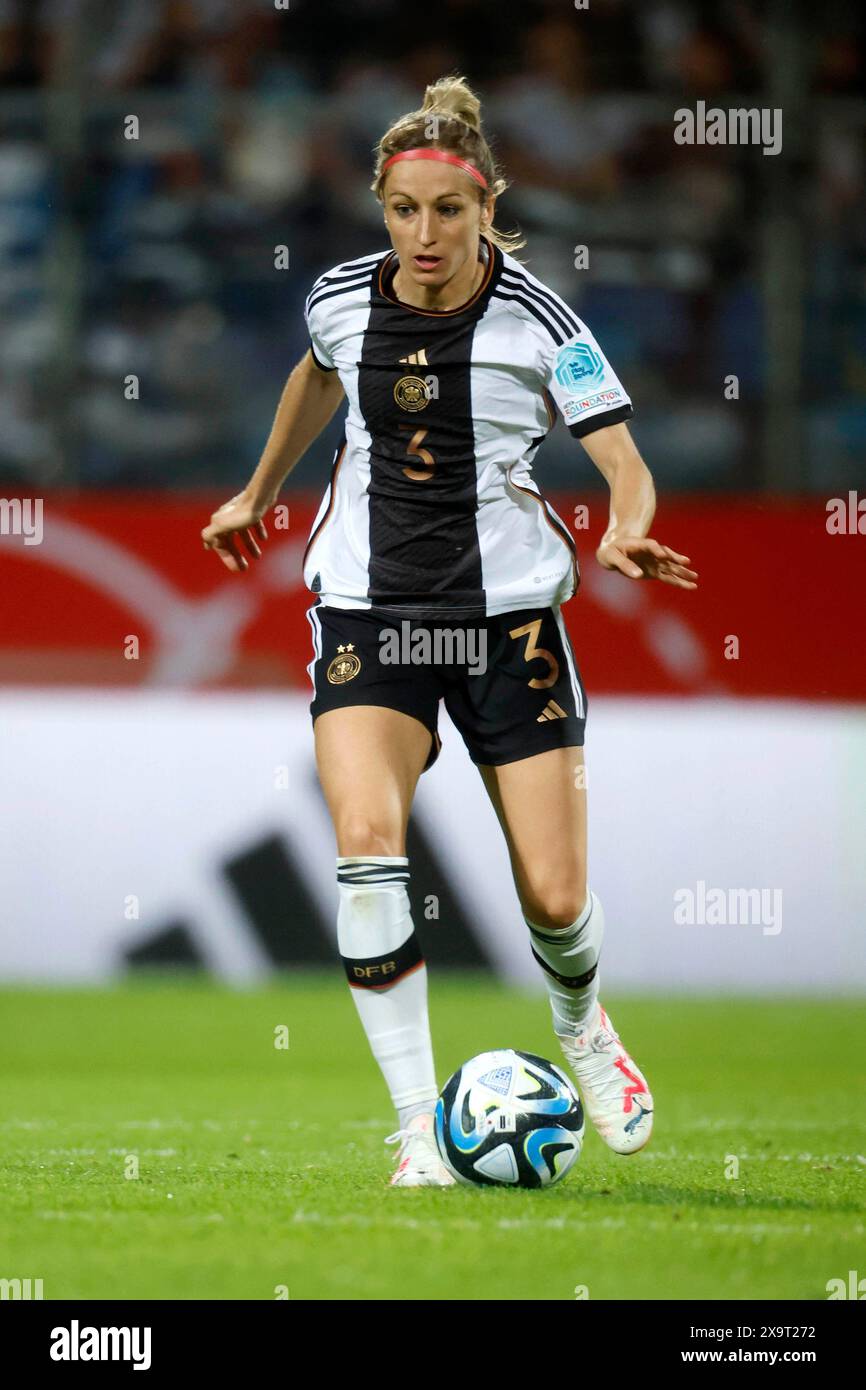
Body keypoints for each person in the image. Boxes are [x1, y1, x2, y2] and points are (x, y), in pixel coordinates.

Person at [202, 75, 698, 1188]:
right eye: (402, 210)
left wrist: (625, 527)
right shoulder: (336, 297)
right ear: (380, 206)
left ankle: (581, 1022)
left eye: (447, 212)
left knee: (557, 900)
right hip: (367, 613)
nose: (422, 236)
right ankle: (419, 1128)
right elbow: (315, 377)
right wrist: (256, 489)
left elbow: (621, 457)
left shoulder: (541, 321)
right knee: (366, 850)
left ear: (486, 210)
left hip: (508, 624)